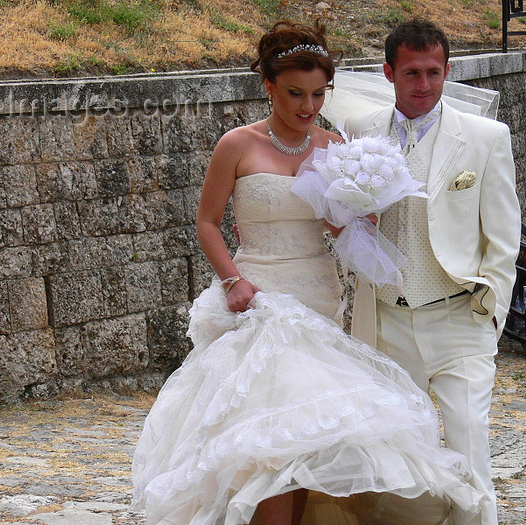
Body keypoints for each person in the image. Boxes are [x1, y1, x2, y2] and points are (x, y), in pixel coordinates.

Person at [132, 20, 482, 525]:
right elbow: (207, 222)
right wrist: (233, 280)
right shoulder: (237, 144)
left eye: (319, 94)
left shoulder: (335, 145)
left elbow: (341, 232)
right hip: (258, 302)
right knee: (271, 435)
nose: (307, 107)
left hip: (319, 295)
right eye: (295, 93)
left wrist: (358, 216)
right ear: (268, 85)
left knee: (308, 442)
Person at [345, 19, 520, 525]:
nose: (423, 85)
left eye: (433, 73)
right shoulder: (359, 133)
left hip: (460, 319)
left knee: (470, 451)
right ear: (388, 73)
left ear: (447, 72)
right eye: (411, 73)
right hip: (385, 321)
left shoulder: (486, 138)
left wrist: (490, 316)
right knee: (403, 460)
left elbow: (504, 239)